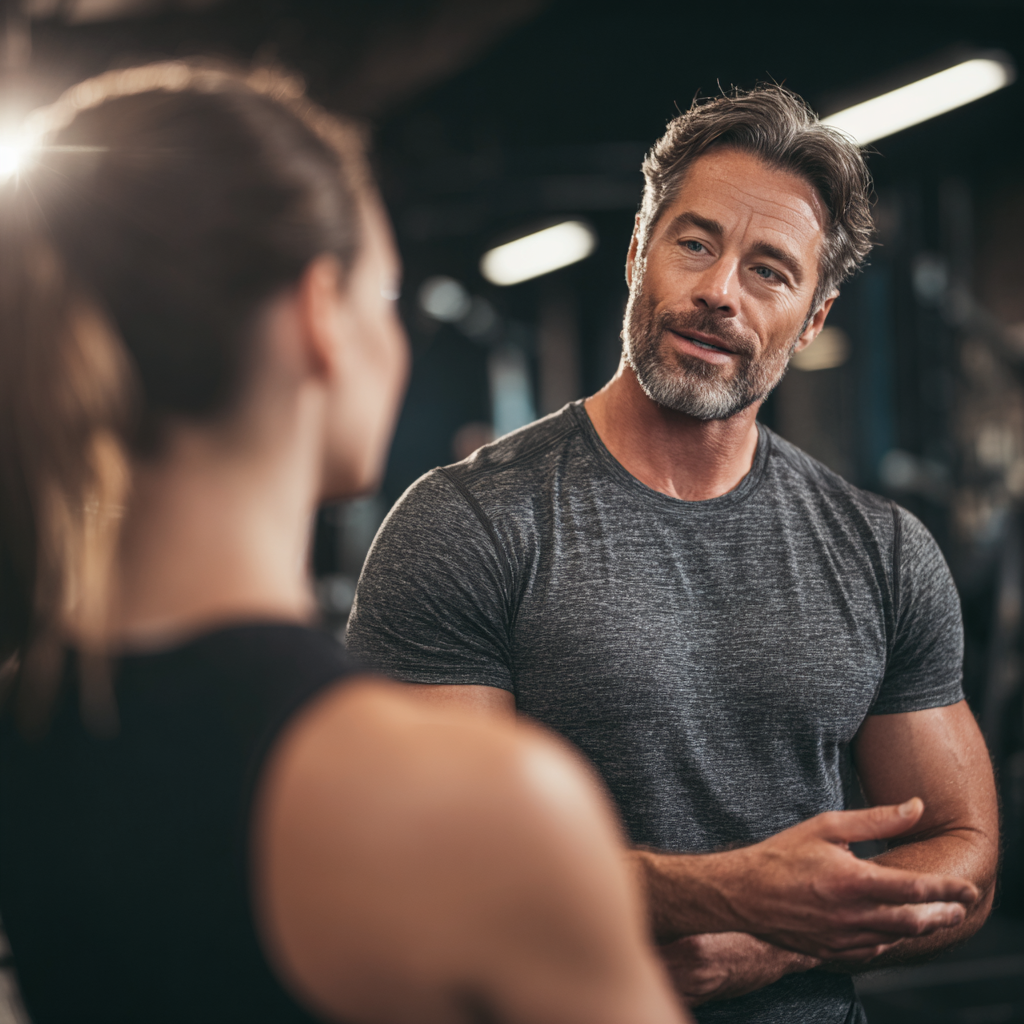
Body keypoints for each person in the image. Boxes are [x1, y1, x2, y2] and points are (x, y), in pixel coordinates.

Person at [0, 63, 689, 1024]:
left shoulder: (29, 716)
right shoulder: (478, 805)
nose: (395, 337)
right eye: (387, 295)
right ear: (319, 314)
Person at [346, 85, 1000, 1023]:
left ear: (813, 318)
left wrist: (768, 943)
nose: (719, 292)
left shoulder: (881, 551)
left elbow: (961, 852)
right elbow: (432, 857)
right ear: (637, 256)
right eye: (695, 243)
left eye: (770, 271)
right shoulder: (471, 525)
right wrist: (718, 892)